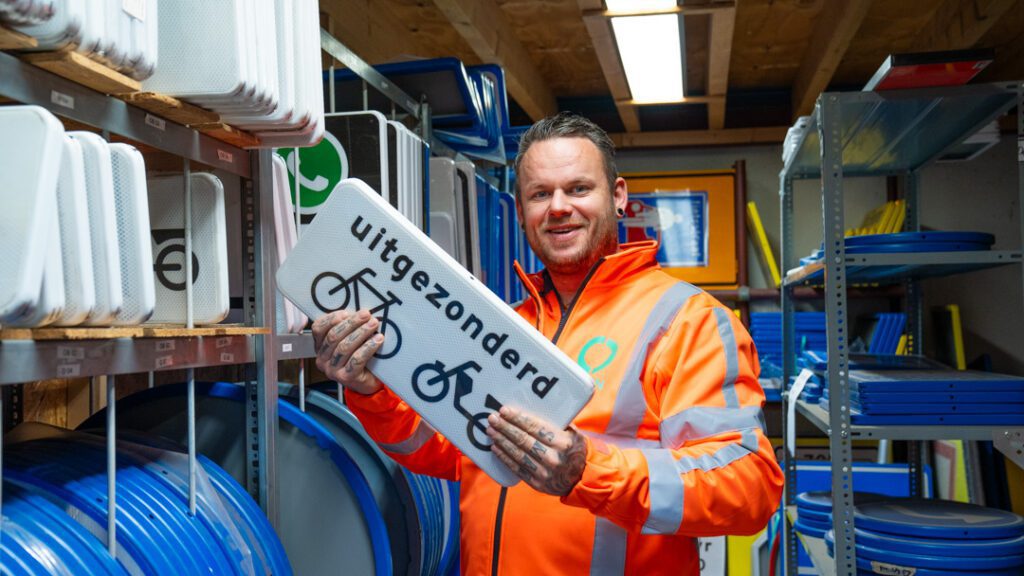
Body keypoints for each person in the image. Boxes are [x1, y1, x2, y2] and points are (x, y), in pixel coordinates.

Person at [312, 112, 784, 575]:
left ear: (618, 197)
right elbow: (443, 449)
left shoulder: (686, 320)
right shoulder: (506, 323)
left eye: (578, 188)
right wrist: (374, 390)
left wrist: (588, 472)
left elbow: (748, 486)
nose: (558, 207)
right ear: (521, 212)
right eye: (540, 194)